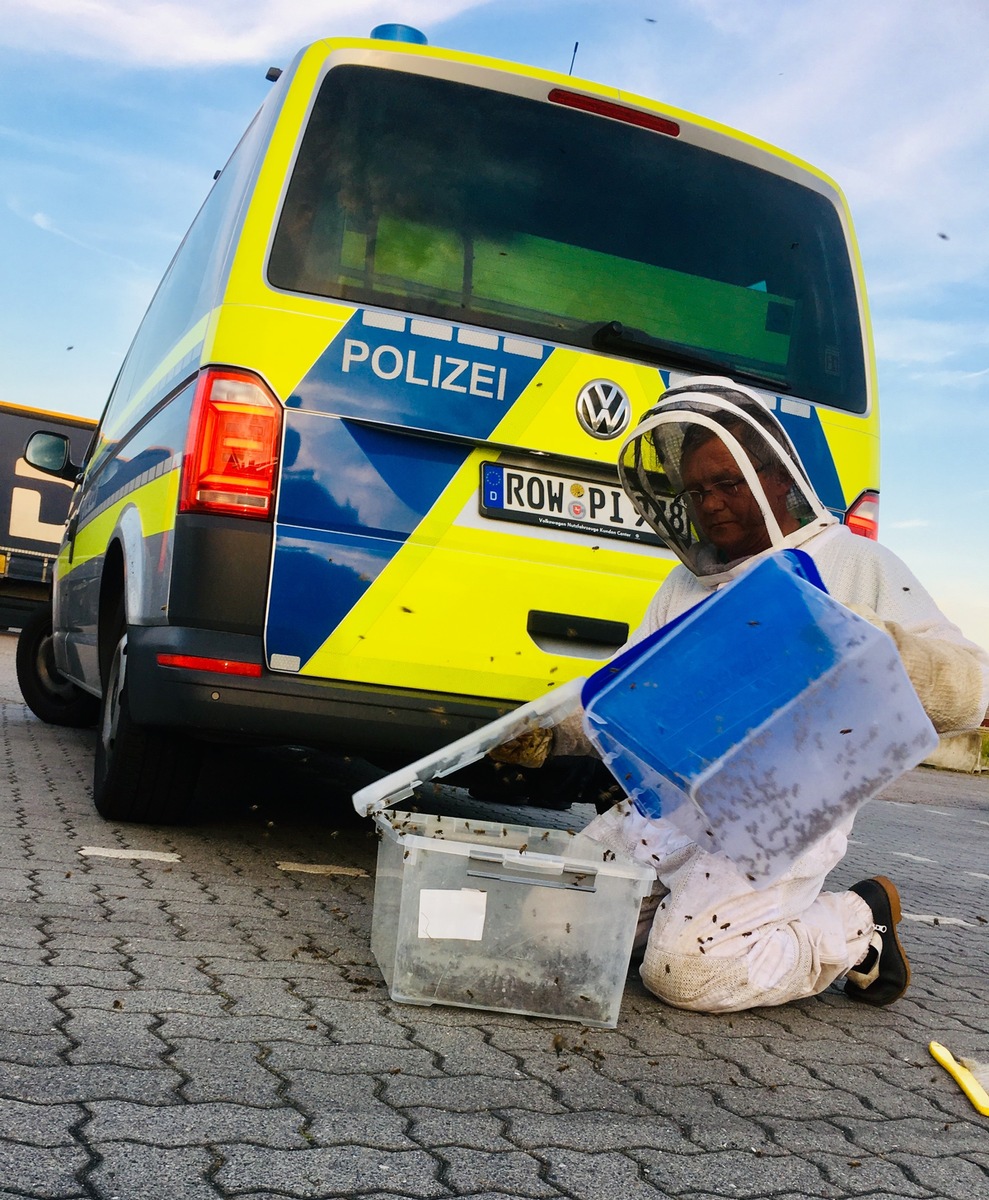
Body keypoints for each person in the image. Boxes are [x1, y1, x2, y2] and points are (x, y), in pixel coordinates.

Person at [493, 378, 989, 1013]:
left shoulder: (855, 564)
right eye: (698, 490)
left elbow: (971, 684)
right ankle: (691, 914)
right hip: (671, 804)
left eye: (728, 484)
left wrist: (872, 644)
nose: (712, 504)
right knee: (546, 925)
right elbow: (622, 692)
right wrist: (548, 734)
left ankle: (855, 923)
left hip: (779, 815)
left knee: (684, 973)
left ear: (777, 477)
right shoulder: (682, 585)